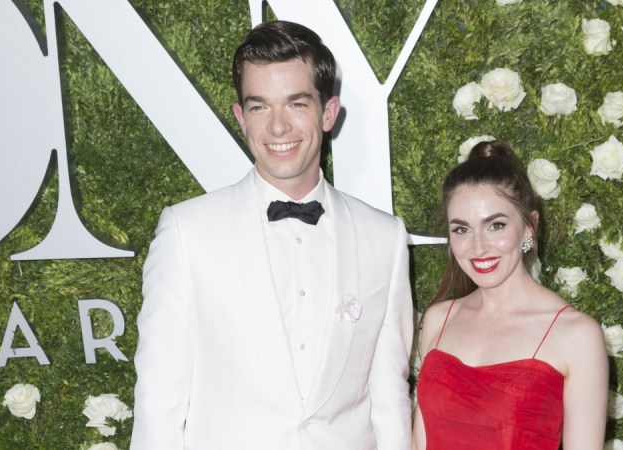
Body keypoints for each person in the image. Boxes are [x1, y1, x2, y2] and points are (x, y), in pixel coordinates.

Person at [131, 20, 413, 450]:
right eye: (260, 107)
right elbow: (158, 402)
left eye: (297, 104)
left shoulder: (385, 239)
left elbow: (389, 400)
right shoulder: (187, 232)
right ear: (241, 117)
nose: (278, 128)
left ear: (329, 112)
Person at [412, 141, 608, 450]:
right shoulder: (439, 319)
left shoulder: (576, 334)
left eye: (495, 226)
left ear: (529, 227)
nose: (478, 247)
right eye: (462, 230)